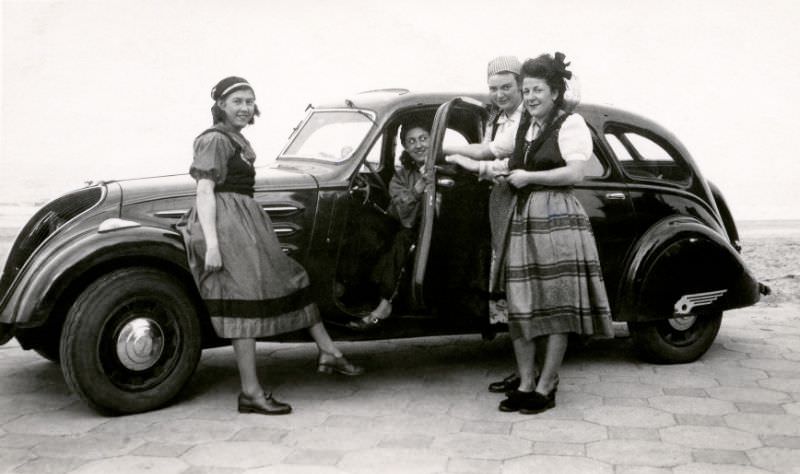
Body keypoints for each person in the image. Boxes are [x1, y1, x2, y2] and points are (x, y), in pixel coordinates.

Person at [178, 76, 363, 416]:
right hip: (226, 225)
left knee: (293, 277)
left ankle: (329, 351)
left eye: (249, 101)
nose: (245, 107)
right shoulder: (214, 141)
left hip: (244, 222)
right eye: (237, 101)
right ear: (221, 105)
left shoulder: (235, 139)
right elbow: (204, 192)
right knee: (242, 302)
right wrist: (214, 245)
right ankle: (251, 392)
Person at [456, 54, 614, 414]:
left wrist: (529, 177)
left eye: (537, 90)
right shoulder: (524, 125)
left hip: (557, 215)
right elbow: (496, 153)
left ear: (555, 91)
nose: (529, 97)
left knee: (554, 302)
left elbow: (574, 173)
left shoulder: (570, 124)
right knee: (521, 301)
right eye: (526, 90)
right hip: (524, 216)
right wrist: (457, 156)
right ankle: (526, 382)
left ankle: (547, 385)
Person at [442, 56, 528, 394]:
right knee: (507, 287)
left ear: (520, 85)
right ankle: (523, 370)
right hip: (498, 203)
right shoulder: (498, 117)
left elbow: (498, 162)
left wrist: (457, 157)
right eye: (494, 88)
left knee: (519, 288)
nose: (500, 93)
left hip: (519, 205)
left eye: (506, 87)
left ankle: (530, 374)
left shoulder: (525, 119)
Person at [347, 122, 431, 330]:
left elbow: (412, 221)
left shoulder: (449, 166)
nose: (418, 145)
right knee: (367, 224)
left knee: (404, 239)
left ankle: (385, 304)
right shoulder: (403, 175)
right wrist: (417, 190)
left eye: (423, 138)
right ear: (405, 146)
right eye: (411, 141)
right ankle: (350, 288)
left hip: (435, 231)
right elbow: (401, 212)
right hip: (409, 223)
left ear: (433, 140)